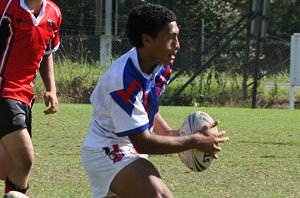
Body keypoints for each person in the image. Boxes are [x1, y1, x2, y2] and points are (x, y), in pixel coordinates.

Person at [81, 3, 229, 198]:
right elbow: (144, 143)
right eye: (171, 37)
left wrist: (166, 132)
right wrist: (194, 140)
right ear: (147, 39)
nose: (177, 44)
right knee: (159, 195)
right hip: (107, 149)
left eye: (178, 36)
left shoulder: (162, 64)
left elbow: (143, 105)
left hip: (129, 146)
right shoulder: (123, 81)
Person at [0, 0, 62, 195]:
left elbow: (46, 52)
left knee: (8, 166)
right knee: (24, 158)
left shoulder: (54, 13)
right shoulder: (5, 6)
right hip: (4, 90)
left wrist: (51, 88)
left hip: (25, 96)